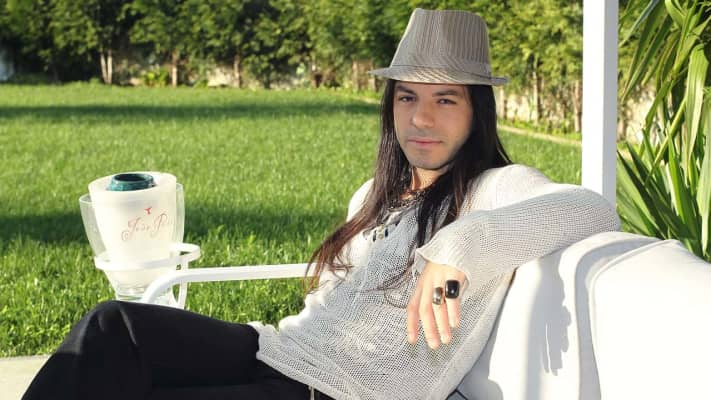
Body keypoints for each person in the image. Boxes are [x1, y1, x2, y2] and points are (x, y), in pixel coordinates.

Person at [23, 8, 619, 400]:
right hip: (277, 351)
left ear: (477, 111)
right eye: (407, 97)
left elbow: (589, 207)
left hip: (333, 391)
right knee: (113, 326)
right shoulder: (373, 194)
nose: (421, 118)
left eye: (445, 100)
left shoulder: (492, 188)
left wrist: (459, 246)